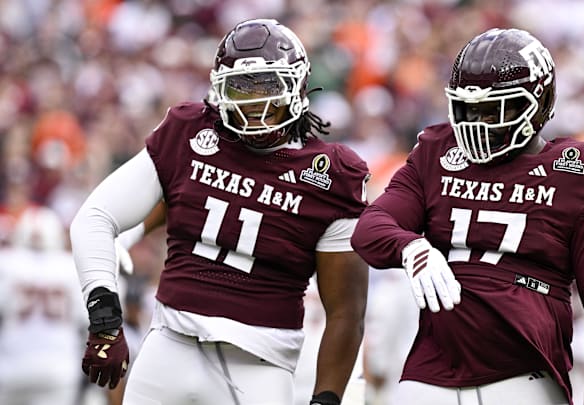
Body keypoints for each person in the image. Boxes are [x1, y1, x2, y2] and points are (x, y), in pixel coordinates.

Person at [70, 18, 370, 405]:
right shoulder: (190, 132)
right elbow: (94, 217)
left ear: (297, 85)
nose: (254, 104)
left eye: (267, 86)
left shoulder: (331, 176)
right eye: (241, 88)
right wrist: (106, 324)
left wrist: (326, 398)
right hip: (169, 348)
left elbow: (346, 311)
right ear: (218, 89)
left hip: (259, 365)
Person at [350, 28, 584, 405]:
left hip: (523, 376)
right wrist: (411, 247)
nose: (479, 122)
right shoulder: (437, 152)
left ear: (540, 102)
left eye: (497, 108)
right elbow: (369, 228)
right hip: (430, 374)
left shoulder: (581, 172)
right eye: (470, 108)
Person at [0, 206, 86, 405]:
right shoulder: (71, 267)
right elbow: (85, 322)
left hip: (12, 367)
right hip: (58, 367)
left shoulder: (6, 263)